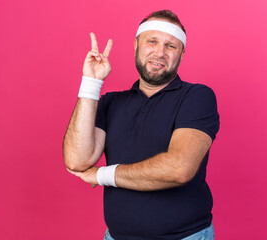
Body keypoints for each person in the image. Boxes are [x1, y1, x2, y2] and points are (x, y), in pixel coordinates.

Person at [63, 9, 220, 240]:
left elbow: (179, 168)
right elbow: (77, 160)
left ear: (182, 54)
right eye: (152, 42)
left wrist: (102, 175)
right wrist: (91, 83)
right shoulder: (110, 102)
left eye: (171, 46)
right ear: (136, 45)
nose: (160, 53)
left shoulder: (196, 96)